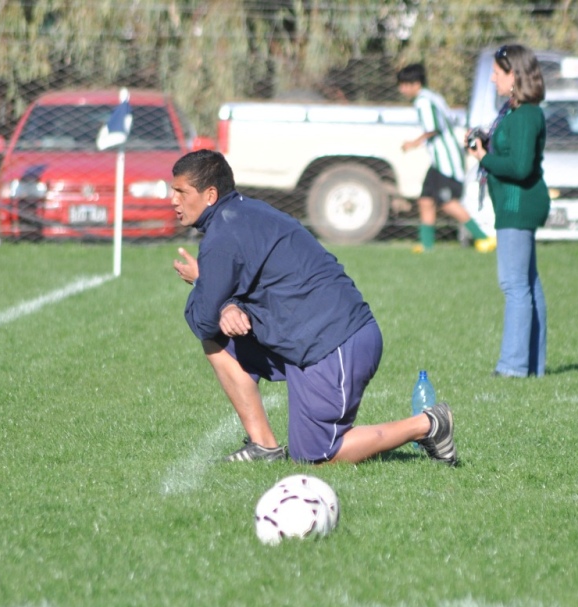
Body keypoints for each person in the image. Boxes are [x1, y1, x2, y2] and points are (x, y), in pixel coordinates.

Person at [169, 149, 457, 466]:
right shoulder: (248, 212)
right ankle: (263, 446)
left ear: (210, 195)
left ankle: (429, 425)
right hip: (309, 336)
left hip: (335, 343)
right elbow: (244, 288)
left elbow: (203, 320)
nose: (173, 200)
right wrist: (226, 305)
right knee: (219, 342)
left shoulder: (223, 236)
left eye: (181, 191)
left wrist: (202, 283)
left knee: (317, 455)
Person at [467, 44, 549, 378]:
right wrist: (484, 141)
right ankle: (533, 367)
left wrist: (483, 158)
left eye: (497, 73)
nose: (491, 78)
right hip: (512, 204)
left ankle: (513, 367)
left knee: (514, 285)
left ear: (514, 75)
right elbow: (511, 148)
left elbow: (519, 165)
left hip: (519, 205)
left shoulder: (527, 114)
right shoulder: (514, 112)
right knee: (528, 284)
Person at [396, 63, 494, 253]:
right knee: (425, 200)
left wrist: (413, 143)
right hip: (438, 161)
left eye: (404, 84)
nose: (401, 89)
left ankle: (483, 238)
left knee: (448, 203)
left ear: (415, 83)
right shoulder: (432, 97)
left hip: (446, 162)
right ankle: (427, 246)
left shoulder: (423, 101)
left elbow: (433, 128)